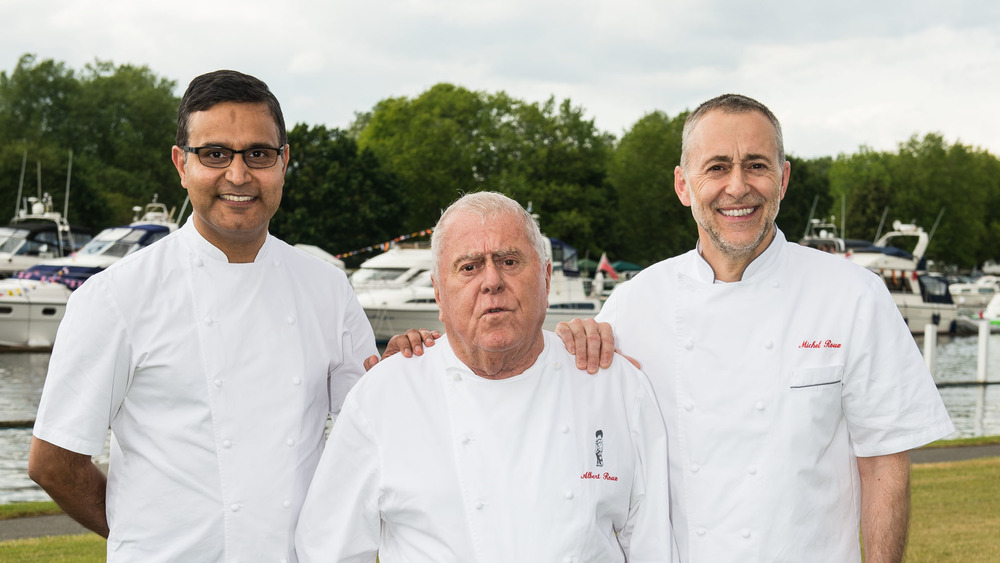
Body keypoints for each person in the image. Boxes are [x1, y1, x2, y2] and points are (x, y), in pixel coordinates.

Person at [385, 95, 955, 563]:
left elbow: (884, 461)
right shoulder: (635, 304)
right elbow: (531, 381)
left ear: (782, 179)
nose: (738, 186)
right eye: (717, 167)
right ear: (684, 186)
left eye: (756, 165)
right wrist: (434, 356)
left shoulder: (853, 295)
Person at [28, 70, 377, 562]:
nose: (238, 175)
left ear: (284, 162)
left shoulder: (326, 287)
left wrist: (414, 366)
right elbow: (54, 462)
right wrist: (141, 533)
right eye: (215, 154)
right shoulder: (116, 297)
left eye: (259, 153)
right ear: (181, 163)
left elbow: (371, 428)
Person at [295, 191, 677, 562]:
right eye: (469, 266)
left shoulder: (613, 385)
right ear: (439, 294)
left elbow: (652, 543)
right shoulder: (384, 396)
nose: (491, 281)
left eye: (510, 261)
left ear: (546, 279)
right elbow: (327, 549)